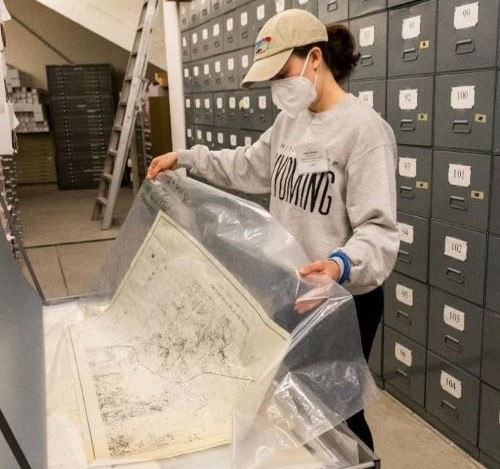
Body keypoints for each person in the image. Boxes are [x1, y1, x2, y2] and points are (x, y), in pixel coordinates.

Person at [147, 8, 399, 450]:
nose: (278, 87)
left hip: (342, 298)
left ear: (314, 59)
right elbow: (246, 165)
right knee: (300, 401)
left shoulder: (364, 132)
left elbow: (379, 231)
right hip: (293, 289)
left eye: (283, 72)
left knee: (340, 414)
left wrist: (339, 266)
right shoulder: (290, 122)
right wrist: (185, 158)